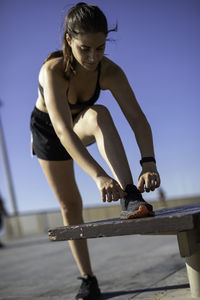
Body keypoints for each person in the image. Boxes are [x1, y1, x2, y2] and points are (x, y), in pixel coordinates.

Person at [30, 3, 160, 299]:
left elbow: (137, 118)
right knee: (70, 205)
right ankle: (88, 279)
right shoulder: (53, 71)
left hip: (80, 124)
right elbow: (62, 131)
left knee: (100, 113)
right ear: (68, 41)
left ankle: (130, 195)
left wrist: (149, 163)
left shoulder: (110, 71)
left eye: (99, 48)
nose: (92, 57)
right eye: (84, 48)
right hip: (50, 130)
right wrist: (99, 176)